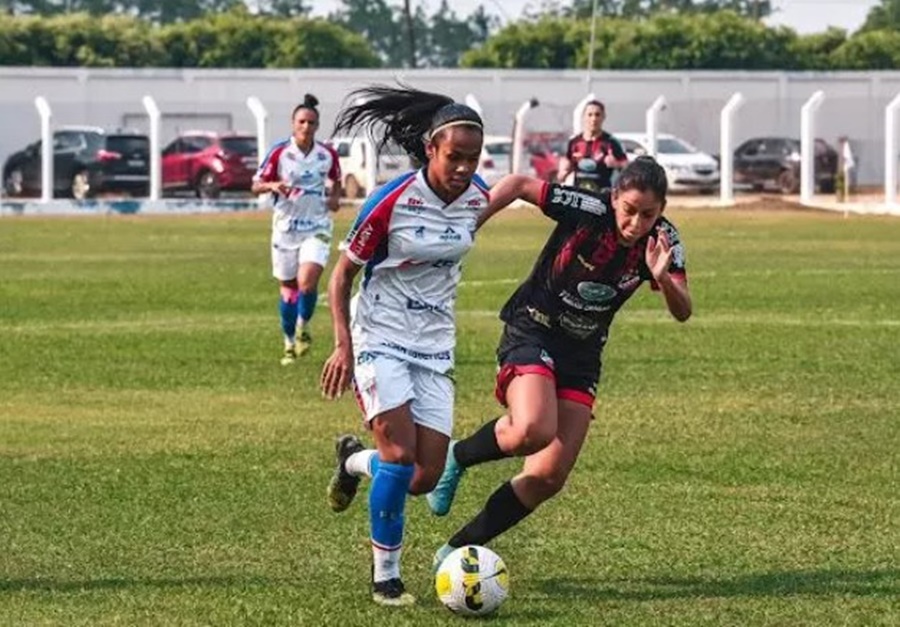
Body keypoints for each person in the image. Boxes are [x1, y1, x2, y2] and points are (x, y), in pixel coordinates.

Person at [426, 156, 692, 569]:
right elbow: (516, 184)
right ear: (615, 196)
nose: (636, 224)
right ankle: (457, 457)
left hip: (583, 354)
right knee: (532, 430)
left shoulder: (664, 240)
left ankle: (455, 551)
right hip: (534, 326)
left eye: (648, 214)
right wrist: (467, 228)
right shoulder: (587, 208)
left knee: (548, 476)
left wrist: (661, 275)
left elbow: (683, 310)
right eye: (629, 211)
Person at [319, 84, 490, 607]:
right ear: (431, 150)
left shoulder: (478, 195)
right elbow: (341, 276)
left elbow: (512, 194)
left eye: (472, 158)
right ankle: (385, 578)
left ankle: (352, 461)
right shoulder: (391, 201)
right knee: (398, 457)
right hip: (381, 336)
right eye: (453, 156)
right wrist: (344, 347)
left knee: (423, 475)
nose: (463, 167)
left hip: (435, 345)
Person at [252, 93, 342, 365]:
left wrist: (335, 198)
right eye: (302, 122)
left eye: (311, 122)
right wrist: (272, 185)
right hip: (286, 228)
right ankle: (289, 341)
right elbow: (255, 185)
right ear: (293, 124)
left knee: (307, 281)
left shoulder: (326, 155)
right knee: (289, 288)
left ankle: (304, 326)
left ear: (317, 125)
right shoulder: (280, 153)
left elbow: (336, 179)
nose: (306, 127)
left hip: (317, 225)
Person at [557, 99, 628, 193]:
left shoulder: (611, 142)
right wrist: (563, 173)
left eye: (597, 114)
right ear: (583, 117)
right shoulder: (574, 142)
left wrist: (616, 164)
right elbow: (564, 171)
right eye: (590, 114)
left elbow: (627, 169)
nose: (594, 119)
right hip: (579, 195)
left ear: (603, 117)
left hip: (602, 195)